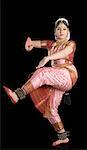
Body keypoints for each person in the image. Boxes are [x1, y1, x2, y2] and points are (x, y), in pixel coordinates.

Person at [3, 18, 78, 146]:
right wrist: (30, 43)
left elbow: (64, 53)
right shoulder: (52, 44)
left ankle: (17, 95)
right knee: (51, 109)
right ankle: (63, 136)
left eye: (64, 29)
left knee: (42, 73)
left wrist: (47, 57)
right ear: (55, 31)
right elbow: (38, 43)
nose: (61, 31)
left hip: (67, 75)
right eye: (58, 28)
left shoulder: (70, 44)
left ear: (68, 32)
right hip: (57, 80)